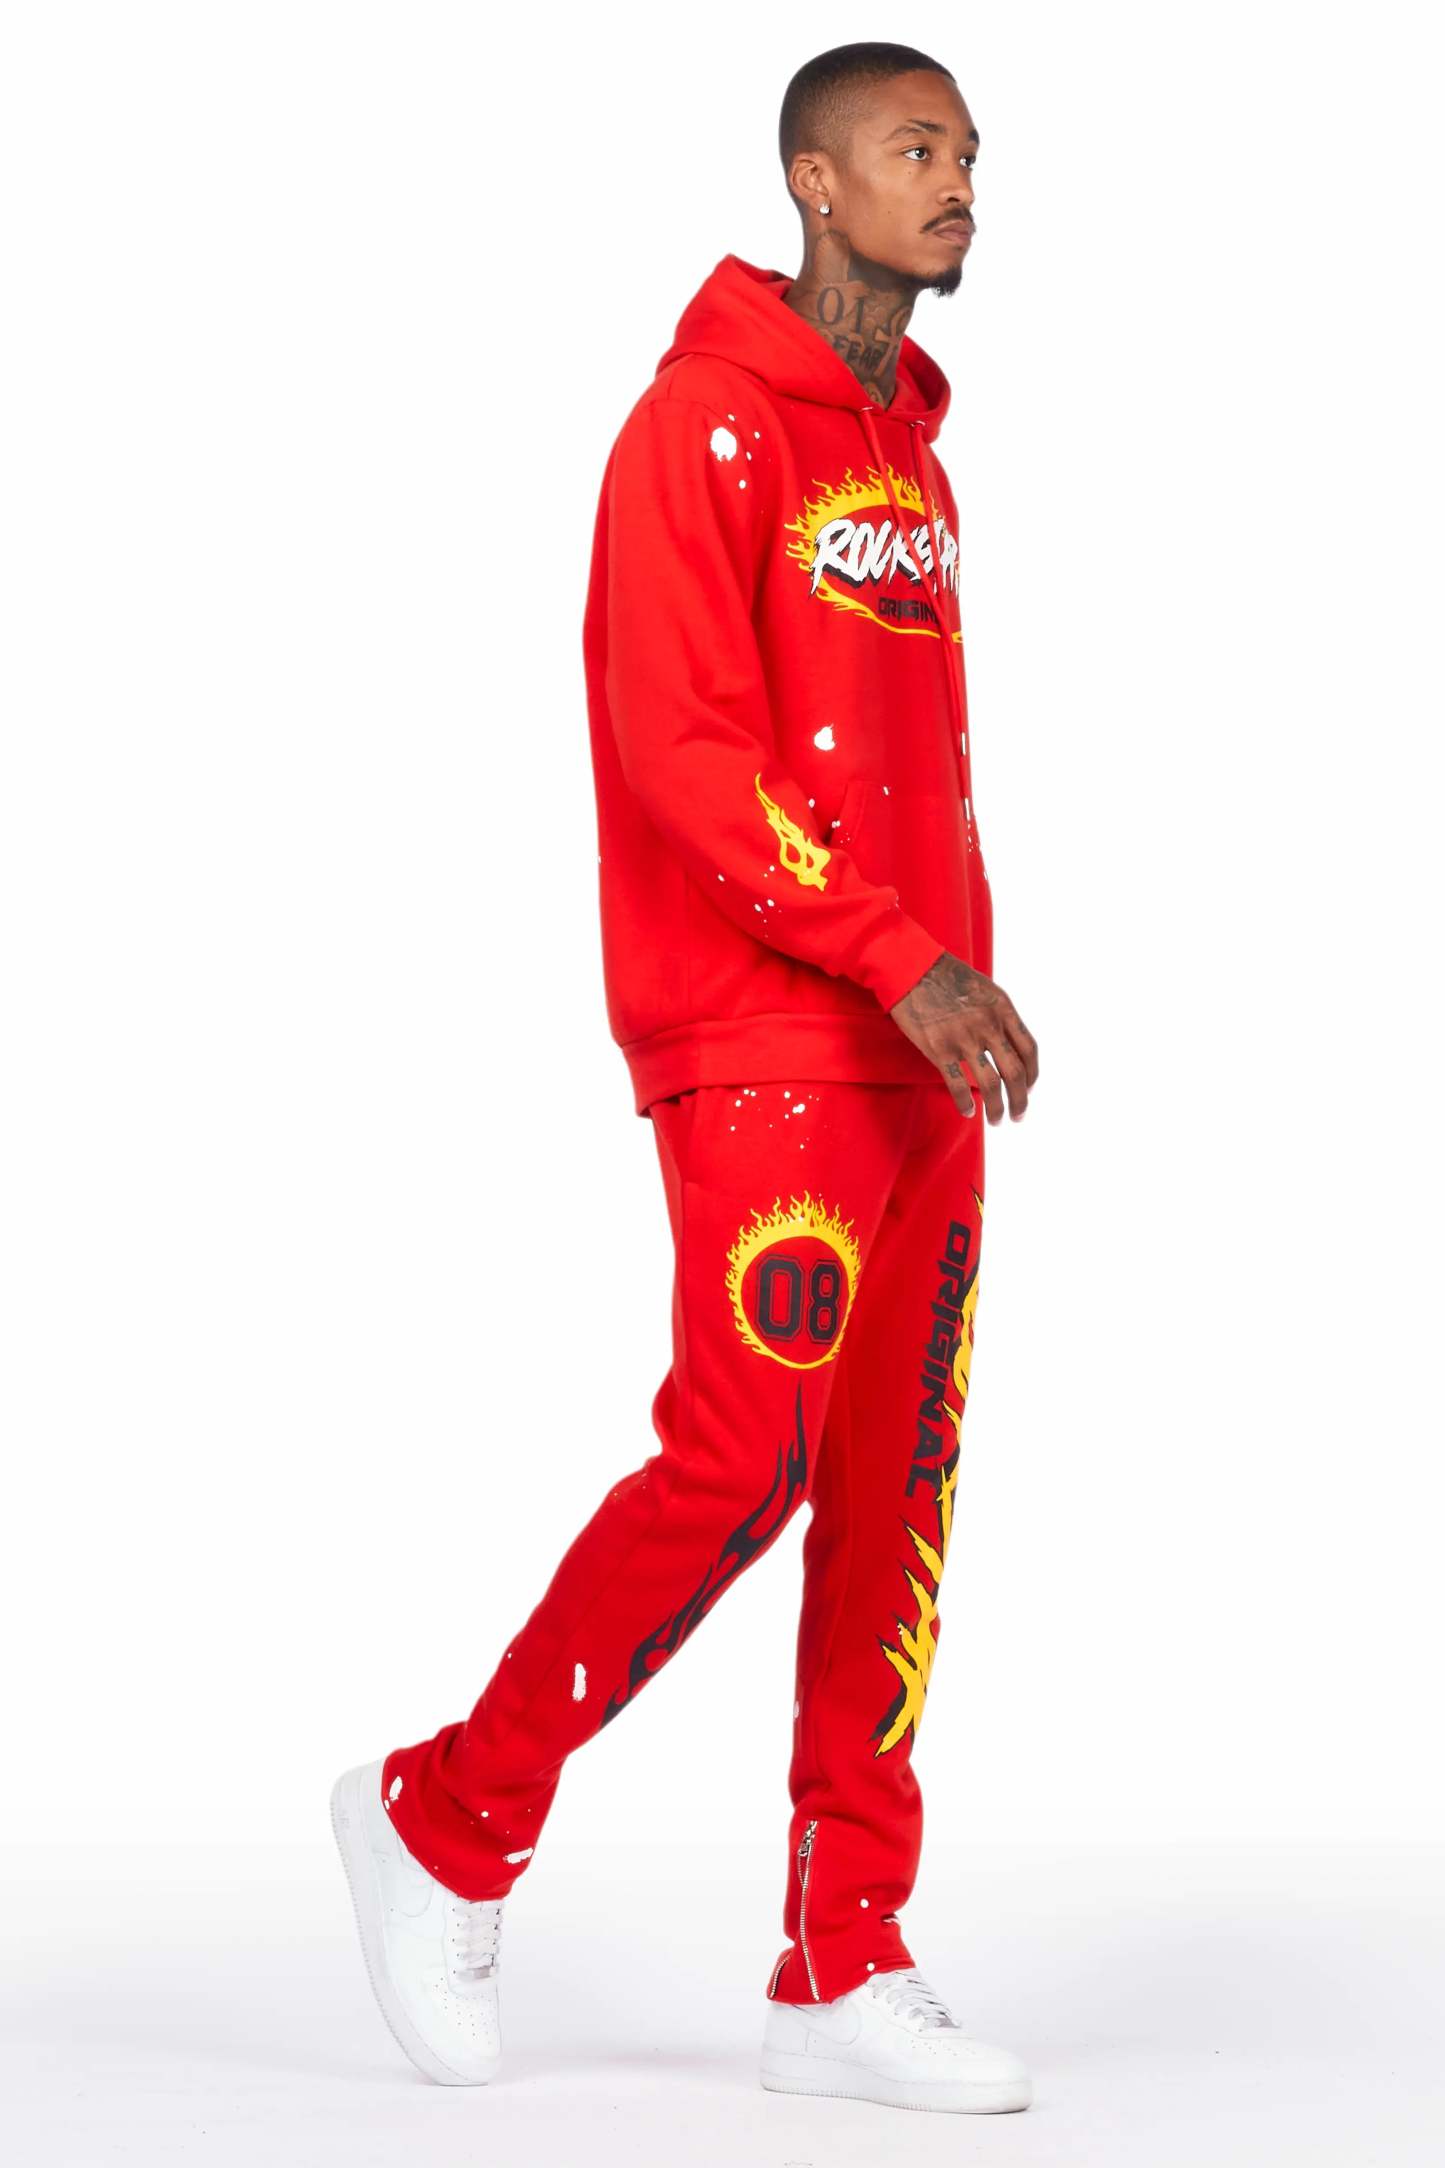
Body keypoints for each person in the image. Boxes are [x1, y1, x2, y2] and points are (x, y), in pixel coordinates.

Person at [331, 38, 1040, 2115]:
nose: (960, 181)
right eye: (915, 148)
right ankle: (445, 1812)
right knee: (746, 1451)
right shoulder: (697, 426)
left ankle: (844, 1954)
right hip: (768, 1033)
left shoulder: (915, 460)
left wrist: (953, 973)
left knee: (894, 1483)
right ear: (814, 181)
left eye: (971, 152)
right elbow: (684, 752)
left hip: (922, 1046)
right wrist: (903, 959)